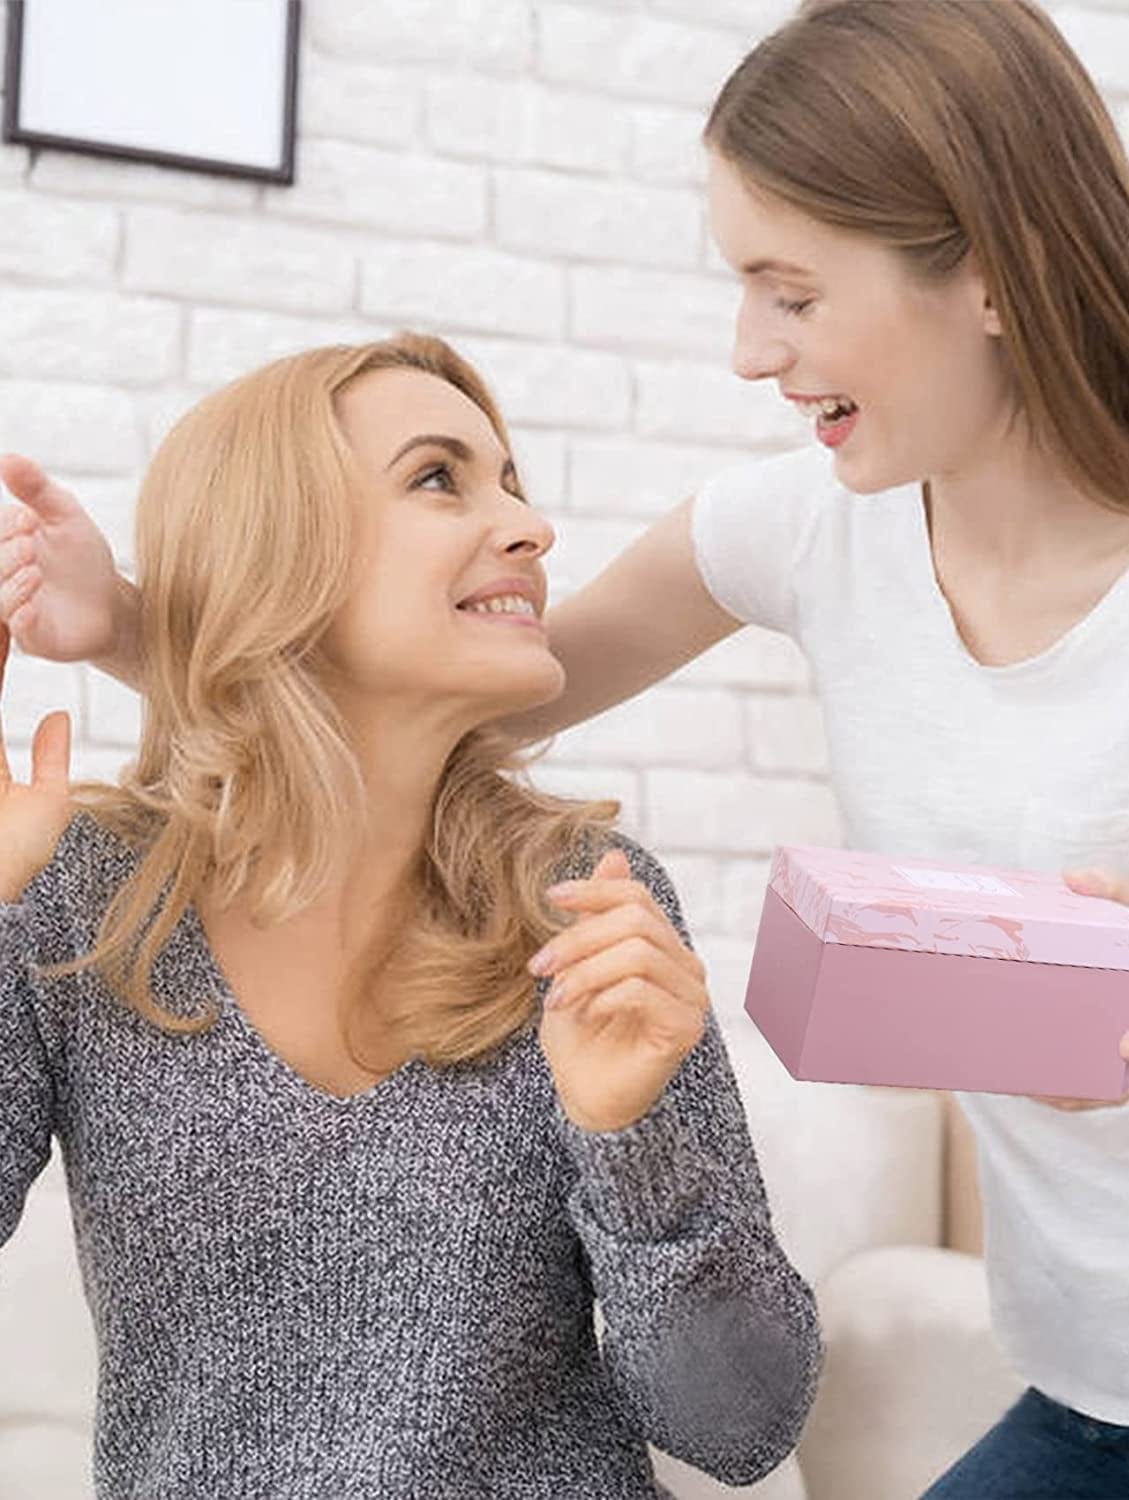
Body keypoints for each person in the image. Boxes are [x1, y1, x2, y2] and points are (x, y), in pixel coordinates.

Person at [6, 1, 1129, 1495]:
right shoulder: (816, 527)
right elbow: (464, 683)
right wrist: (135, 622)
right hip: (1095, 1370)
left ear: (991, 269)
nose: (747, 350)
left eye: (789, 293)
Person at [0, 332, 820, 1500]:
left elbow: (740, 1426)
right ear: (277, 551)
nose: (532, 530)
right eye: (440, 477)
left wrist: (631, 1133)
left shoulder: (585, 897)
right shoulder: (85, 895)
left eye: (514, 483)